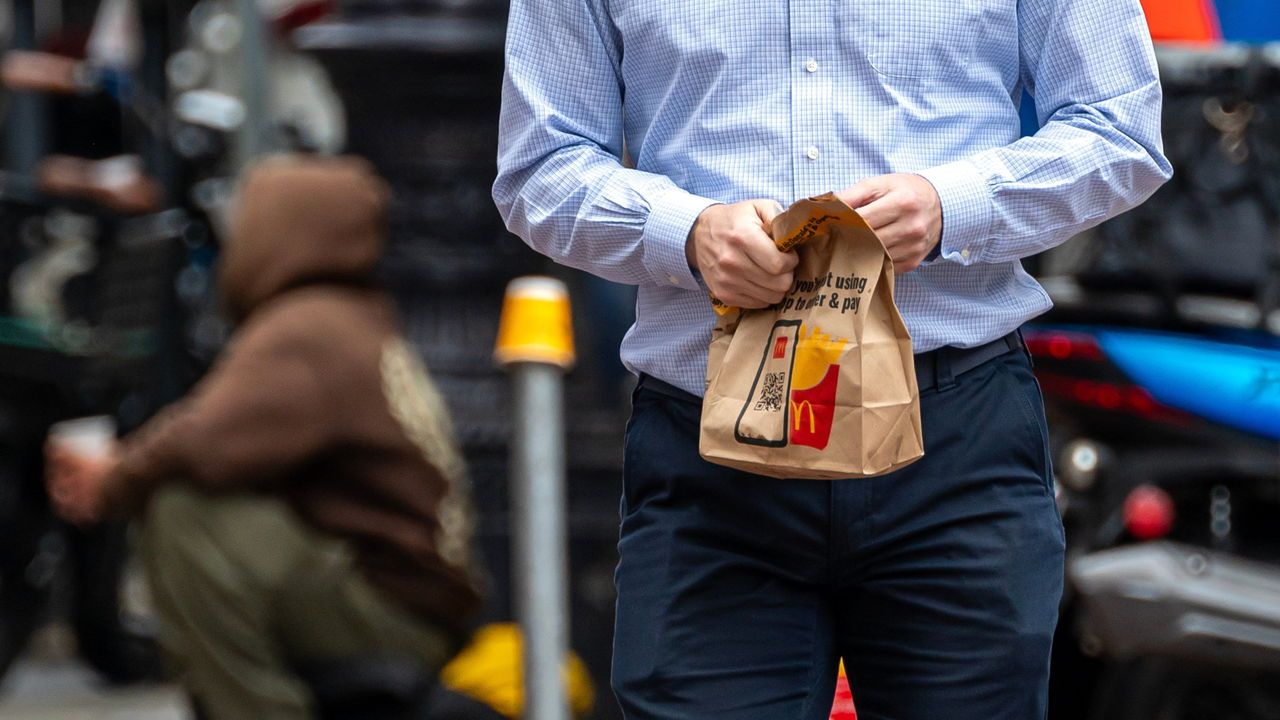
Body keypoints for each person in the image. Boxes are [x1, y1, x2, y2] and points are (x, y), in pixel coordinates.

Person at [493, 1, 1171, 718]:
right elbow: (541, 162)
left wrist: (952, 205)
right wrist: (685, 232)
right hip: (712, 457)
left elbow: (1119, 127)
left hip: (955, 442)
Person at [46, 155, 480, 720]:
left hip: (392, 613)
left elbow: (202, 440)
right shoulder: (353, 314)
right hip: (412, 603)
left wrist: (111, 479)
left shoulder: (307, 326)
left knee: (184, 517)